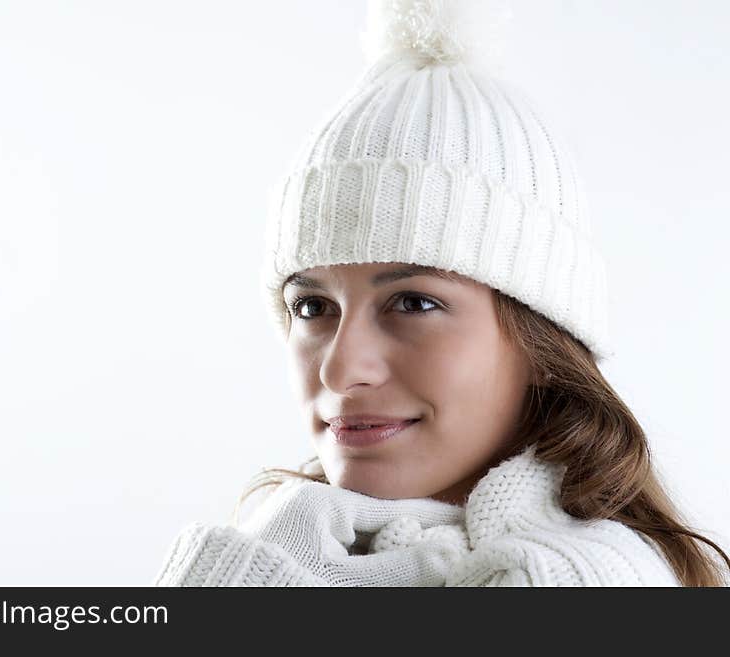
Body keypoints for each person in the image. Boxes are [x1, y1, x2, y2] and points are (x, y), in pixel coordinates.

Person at [153, 0, 730, 586]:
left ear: (542, 342)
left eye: (412, 302)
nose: (339, 369)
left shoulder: (567, 580)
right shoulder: (311, 546)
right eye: (313, 307)